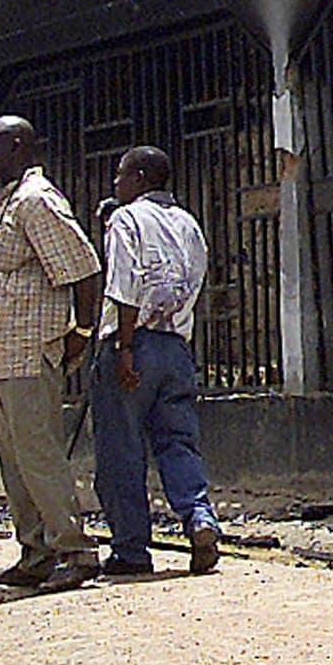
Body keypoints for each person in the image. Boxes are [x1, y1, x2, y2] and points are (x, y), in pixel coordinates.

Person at [0, 115, 102, 592]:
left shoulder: (36, 201)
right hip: (3, 351)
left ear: (18, 146)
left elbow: (84, 267)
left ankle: (75, 549)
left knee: (39, 452)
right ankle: (36, 550)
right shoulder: (8, 203)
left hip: (30, 349)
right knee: (14, 458)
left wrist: (81, 331)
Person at [92, 144, 221, 577]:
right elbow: (196, 281)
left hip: (135, 342)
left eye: (121, 176)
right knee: (178, 440)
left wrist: (125, 348)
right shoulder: (188, 224)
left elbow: (125, 286)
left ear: (139, 178)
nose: (115, 184)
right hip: (176, 346)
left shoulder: (125, 220)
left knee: (121, 448)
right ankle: (199, 516)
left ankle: (131, 549)